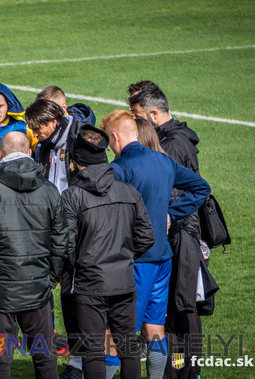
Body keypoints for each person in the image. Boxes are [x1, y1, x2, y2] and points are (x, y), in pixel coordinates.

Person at [101, 110, 210, 379]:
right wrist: (173, 212)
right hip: (163, 257)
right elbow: (201, 188)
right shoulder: (163, 160)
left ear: (115, 137)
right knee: (155, 327)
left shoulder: (118, 169)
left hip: (136, 261)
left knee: (115, 332)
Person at [0, 131, 67, 378]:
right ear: (29, 153)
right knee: (45, 357)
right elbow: (62, 241)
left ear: (0, 154)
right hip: (37, 288)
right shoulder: (49, 189)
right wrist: (50, 277)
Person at [61, 126, 155, 379]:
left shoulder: (72, 196)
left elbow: (65, 245)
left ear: (76, 161)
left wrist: (80, 265)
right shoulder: (128, 191)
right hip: (123, 282)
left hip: (89, 285)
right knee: (128, 349)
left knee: (92, 351)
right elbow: (146, 237)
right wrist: (123, 258)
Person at [129, 85, 210, 379]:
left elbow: (181, 191)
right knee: (177, 308)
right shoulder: (174, 138)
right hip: (180, 232)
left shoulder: (172, 146)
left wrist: (168, 214)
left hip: (179, 235)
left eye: (136, 115)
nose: (132, 121)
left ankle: (183, 371)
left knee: (179, 309)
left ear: (152, 114)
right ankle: (180, 370)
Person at [25, 98, 77, 194]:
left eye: (37, 129)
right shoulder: (42, 145)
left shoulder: (76, 141)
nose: (34, 135)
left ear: (53, 122)